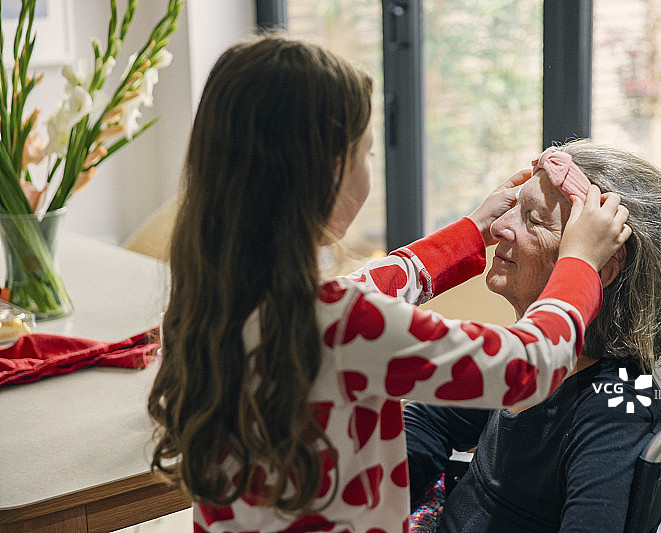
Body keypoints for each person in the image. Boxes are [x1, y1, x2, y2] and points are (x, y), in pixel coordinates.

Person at [146, 33, 630, 533]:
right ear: (331, 172)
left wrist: (468, 235)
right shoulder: (345, 325)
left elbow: (369, 285)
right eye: (368, 154)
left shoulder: (214, 301)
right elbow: (527, 365)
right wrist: (580, 262)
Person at [405, 139, 661, 532]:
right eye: (514, 208)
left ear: (600, 268)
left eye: (534, 219)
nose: (499, 227)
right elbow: (431, 419)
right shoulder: (523, 355)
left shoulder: (614, 409)